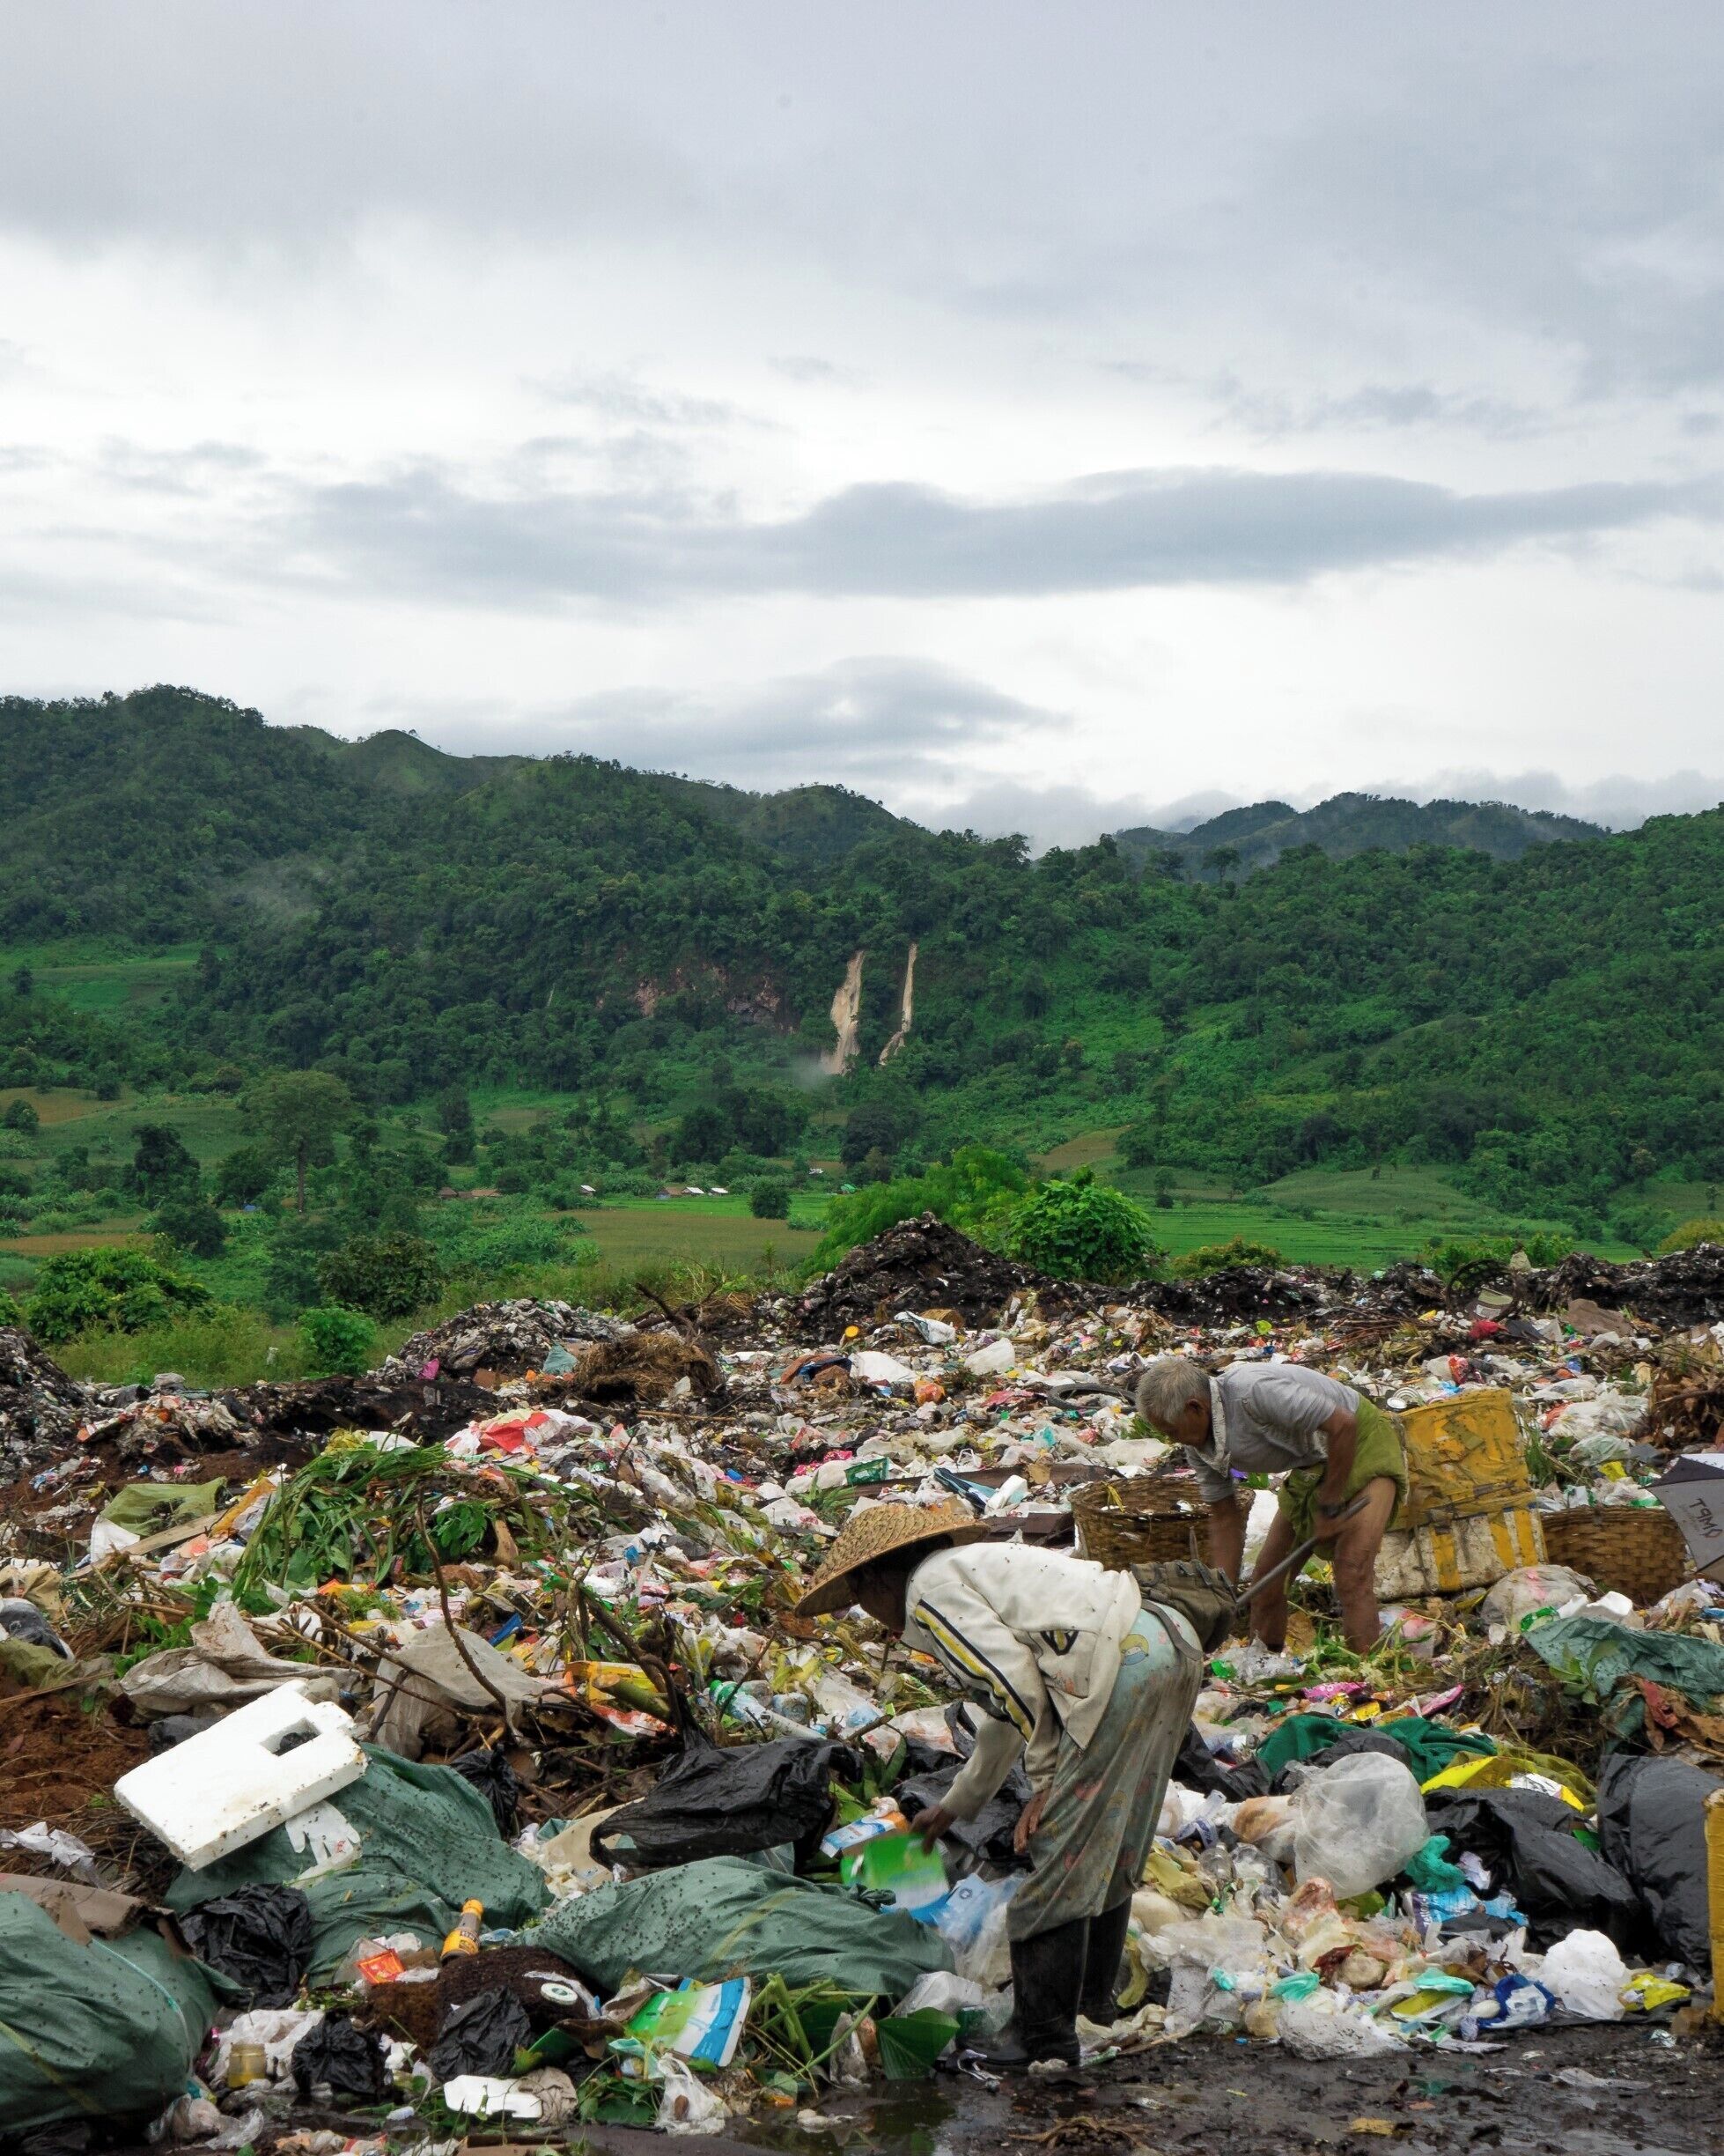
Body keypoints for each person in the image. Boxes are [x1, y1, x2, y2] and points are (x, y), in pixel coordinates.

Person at [797, 1497, 1210, 2070]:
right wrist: (955, 1806)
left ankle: (1042, 2038)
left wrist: (1044, 1784)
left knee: (1058, 1856)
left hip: (1121, 1664)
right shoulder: (970, 1570)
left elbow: (1017, 1689)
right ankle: (1094, 2006)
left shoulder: (929, 1593)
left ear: (873, 1578)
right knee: (1112, 1841)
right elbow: (1003, 1713)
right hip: (1168, 1643)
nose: (867, 1613)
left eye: (861, 1597)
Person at [1133, 1355, 1408, 1652]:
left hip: (1362, 1443)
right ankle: (1262, 1670)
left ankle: (1368, 1683)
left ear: (1195, 1408)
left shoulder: (1253, 1392)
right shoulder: (1199, 1449)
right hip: (1313, 1467)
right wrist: (1222, 1593)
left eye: (1171, 1431)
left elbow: (1343, 1424)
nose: (1173, 1440)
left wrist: (1328, 1507)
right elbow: (1226, 1518)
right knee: (1265, 1585)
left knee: (1352, 1569)